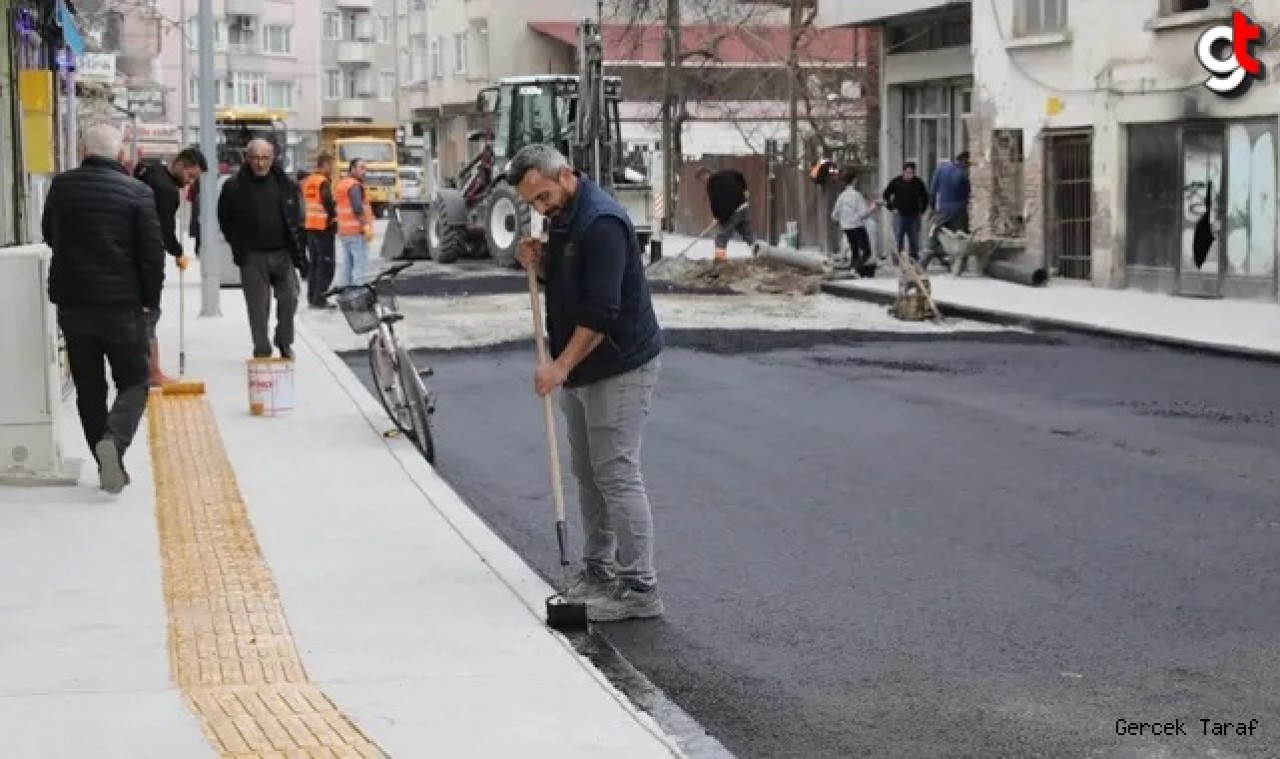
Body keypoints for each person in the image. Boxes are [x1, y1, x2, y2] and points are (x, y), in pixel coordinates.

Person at [509, 143, 665, 623]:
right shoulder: (563, 218)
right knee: (587, 472)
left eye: (542, 196)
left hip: (619, 363)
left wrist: (558, 367)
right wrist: (540, 264)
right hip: (581, 367)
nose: (539, 208)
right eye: (532, 202)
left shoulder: (602, 224)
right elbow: (570, 282)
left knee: (615, 472)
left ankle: (639, 587)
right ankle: (597, 570)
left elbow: (601, 312)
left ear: (565, 175)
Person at [42, 123, 166, 494]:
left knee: (89, 388)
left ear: (83, 151)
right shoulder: (138, 193)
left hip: (74, 303)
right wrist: (151, 304)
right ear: (121, 154)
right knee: (134, 381)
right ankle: (115, 439)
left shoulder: (62, 187)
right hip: (122, 306)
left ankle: (106, 464)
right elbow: (152, 256)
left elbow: (50, 233)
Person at [216, 138, 308, 359]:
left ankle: (284, 341)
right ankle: (262, 347)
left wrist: (298, 246)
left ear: (273, 158)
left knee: (291, 297)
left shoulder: (286, 184)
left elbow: (298, 215)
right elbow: (224, 218)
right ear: (247, 158)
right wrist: (237, 244)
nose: (260, 163)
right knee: (258, 308)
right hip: (252, 256)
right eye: (255, 158)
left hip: (282, 253)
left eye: (265, 158)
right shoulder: (234, 186)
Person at [133, 146, 208, 386]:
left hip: (130, 252)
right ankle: (153, 372)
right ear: (180, 165)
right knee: (149, 312)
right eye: (190, 175)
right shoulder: (166, 190)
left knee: (138, 313)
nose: (189, 182)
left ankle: (143, 368)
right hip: (147, 258)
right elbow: (163, 230)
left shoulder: (149, 170)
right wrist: (178, 252)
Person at [300, 152, 338, 308]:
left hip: (311, 226)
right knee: (326, 265)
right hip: (323, 227)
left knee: (315, 264)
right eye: (332, 166)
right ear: (326, 165)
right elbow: (327, 201)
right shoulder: (323, 182)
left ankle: (312, 297)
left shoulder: (309, 181)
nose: (333, 169)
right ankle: (320, 297)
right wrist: (333, 217)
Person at [923, 152, 972, 272]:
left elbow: (933, 190)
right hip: (959, 211)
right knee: (960, 238)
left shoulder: (941, 170)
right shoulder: (963, 174)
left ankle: (924, 262)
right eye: (968, 163)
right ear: (964, 160)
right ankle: (958, 266)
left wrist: (932, 208)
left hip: (943, 210)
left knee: (933, 233)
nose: (969, 166)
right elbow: (968, 193)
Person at [695, 165, 754, 261]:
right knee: (747, 234)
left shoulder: (711, 185)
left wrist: (718, 218)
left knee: (721, 238)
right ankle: (760, 254)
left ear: (706, 174)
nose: (703, 180)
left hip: (733, 212)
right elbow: (739, 175)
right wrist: (745, 189)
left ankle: (719, 262)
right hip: (744, 207)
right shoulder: (726, 173)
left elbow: (715, 204)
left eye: (702, 178)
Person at [830, 167, 881, 272]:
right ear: (854, 180)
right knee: (867, 252)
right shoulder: (857, 195)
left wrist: (843, 220)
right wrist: (873, 207)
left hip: (846, 227)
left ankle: (852, 269)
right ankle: (855, 269)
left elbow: (834, 215)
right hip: (857, 226)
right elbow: (863, 213)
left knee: (855, 250)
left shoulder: (841, 196)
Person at [333, 158, 375, 288]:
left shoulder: (342, 184)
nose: (364, 171)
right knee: (359, 264)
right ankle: (358, 291)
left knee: (347, 264)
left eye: (365, 168)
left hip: (344, 232)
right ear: (352, 169)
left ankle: (345, 290)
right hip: (357, 231)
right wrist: (365, 225)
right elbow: (357, 207)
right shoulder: (354, 186)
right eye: (361, 168)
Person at [881, 161, 929, 263]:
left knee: (914, 238)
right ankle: (898, 258)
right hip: (899, 214)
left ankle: (914, 258)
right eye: (908, 172)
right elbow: (885, 196)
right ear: (903, 172)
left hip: (914, 214)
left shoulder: (918, 183)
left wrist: (922, 210)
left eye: (912, 172)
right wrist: (892, 207)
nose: (910, 175)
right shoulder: (896, 182)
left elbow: (925, 197)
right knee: (898, 236)